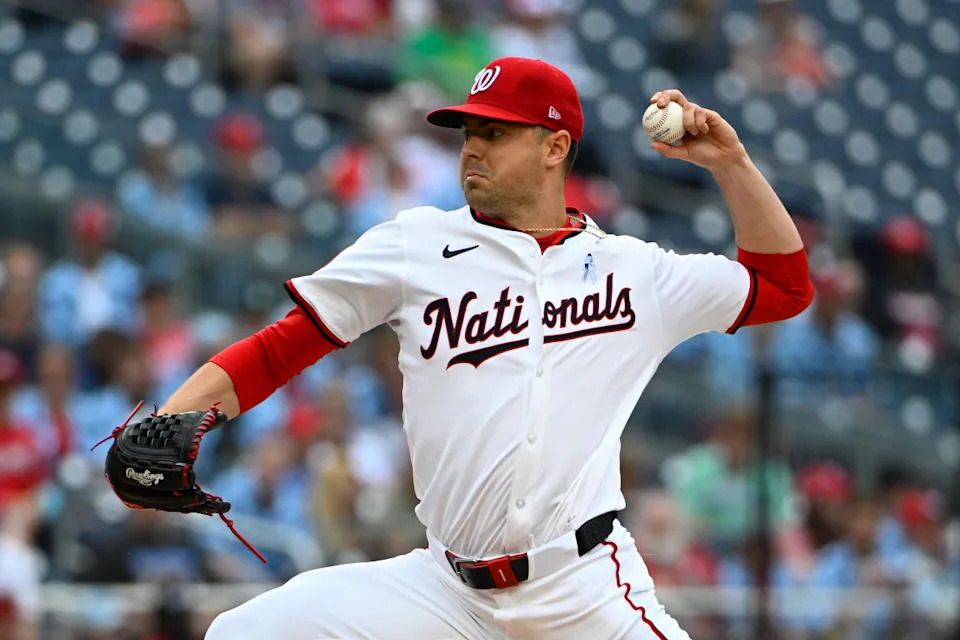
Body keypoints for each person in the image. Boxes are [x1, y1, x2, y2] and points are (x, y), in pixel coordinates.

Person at [147, 57, 813, 639]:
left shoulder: (636, 273)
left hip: (581, 592)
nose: (472, 149)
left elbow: (783, 286)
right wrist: (170, 421)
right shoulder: (415, 246)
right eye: (469, 133)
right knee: (245, 631)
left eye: (494, 133)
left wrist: (731, 163)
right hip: (445, 592)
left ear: (555, 148)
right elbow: (278, 349)